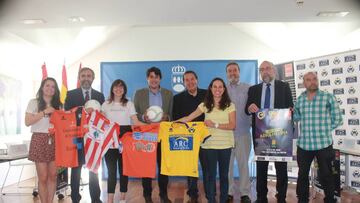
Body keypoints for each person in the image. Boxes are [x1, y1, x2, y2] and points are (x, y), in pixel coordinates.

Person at [179, 77, 236, 203]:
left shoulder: (230, 105)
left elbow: (232, 125)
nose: (217, 89)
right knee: (210, 177)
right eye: (214, 86)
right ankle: (211, 200)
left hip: (225, 146)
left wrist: (214, 125)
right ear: (210, 88)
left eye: (220, 87)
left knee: (224, 177)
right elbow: (189, 117)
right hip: (209, 145)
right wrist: (173, 123)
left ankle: (223, 200)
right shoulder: (205, 104)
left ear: (224, 89)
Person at [245, 61, 293, 203]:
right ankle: (261, 197)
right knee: (261, 167)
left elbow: (290, 106)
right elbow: (246, 110)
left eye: (268, 69)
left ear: (273, 71)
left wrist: (290, 112)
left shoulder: (284, 87)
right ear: (260, 73)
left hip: (280, 133)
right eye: (262, 69)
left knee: (281, 167)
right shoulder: (253, 89)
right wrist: (249, 108)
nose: (265, 71)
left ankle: (282, 196)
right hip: (261, 134)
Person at [293, 72, 342, 203]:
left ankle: (330, 199)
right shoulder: (300, 99)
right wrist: (289, 113)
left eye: (314, 79)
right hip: (304, 145)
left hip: (323, 144)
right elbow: (296, 117)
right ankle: (302, 200)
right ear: (304, 83)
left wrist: (324, 130)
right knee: (302, 175)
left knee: (327, 175)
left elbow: (338, 119)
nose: (312, 82)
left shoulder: (328, 97)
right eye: (308, 80)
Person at [64, 67, 105, 203]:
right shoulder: (71, 94)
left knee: (93, 168)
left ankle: (95, 198)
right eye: (83, 75)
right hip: (77, 137)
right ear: (79, 78)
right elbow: (67, 115)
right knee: (76, 167)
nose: (86, 78)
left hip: (94, 137)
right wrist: (83, 111)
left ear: (93, 78)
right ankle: (75, 198)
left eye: (89, 76)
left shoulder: (99, 96)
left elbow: (103, 117)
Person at [133, 66, 173, 203]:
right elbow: (134, 113)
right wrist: (143, 117)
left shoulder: (168, 94)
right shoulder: (139, 94)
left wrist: (167, 117)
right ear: (147, 79)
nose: (154, 79)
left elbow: (172, 114)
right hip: (146, 135)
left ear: (160, 78)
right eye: (151, 76)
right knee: (146, 166)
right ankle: (147, 195)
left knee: (163, 167)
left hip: (163, 134)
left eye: (156, 76)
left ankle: (163, 194)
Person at [101, 79, 144, 203]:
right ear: (112, 89)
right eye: (116, 87)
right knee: (111, 171)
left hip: (125, 139)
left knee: (124, 170)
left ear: (124, 90)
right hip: (109, 141)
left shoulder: (129, 104)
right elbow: (101, 122)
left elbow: (135, 122)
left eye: (121, 87)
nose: (118, 89)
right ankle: (110, 200)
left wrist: (151, 126)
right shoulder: (105, 104)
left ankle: (122, 199)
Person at [25, 77, 61, 203]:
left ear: (56, 90)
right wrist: (45, 112)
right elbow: (27, 122)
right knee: (43, 177)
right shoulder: (33, 102)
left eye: (53, 86)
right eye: (47, 85)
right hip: (39, 139)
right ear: (42, 87)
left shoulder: (59, 105)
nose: (50, 88)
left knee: (53, 176)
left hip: (56, 140)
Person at [172, 70, 206, 203]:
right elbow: (176, 118)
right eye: (187, 80)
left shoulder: (207, 95)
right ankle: (193, 193)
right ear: (183, 82)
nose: (190, 82)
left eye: (192, 79)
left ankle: (209, 191)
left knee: (207, 166)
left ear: (197, 80)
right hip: (187, 138)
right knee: (190, 167)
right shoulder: (178, 98)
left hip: (205, 137)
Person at [225, 62, 252, 203]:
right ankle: (228, 192)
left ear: (239, 72)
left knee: (243, 165)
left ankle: (244, 193)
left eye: (234, 70)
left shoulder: (248, 88)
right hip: (226, 135)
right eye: (229, 71)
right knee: (227, 166)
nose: (232, 73)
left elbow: (254, 108)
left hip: (243, 133)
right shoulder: (222, 90)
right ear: (226, 74)